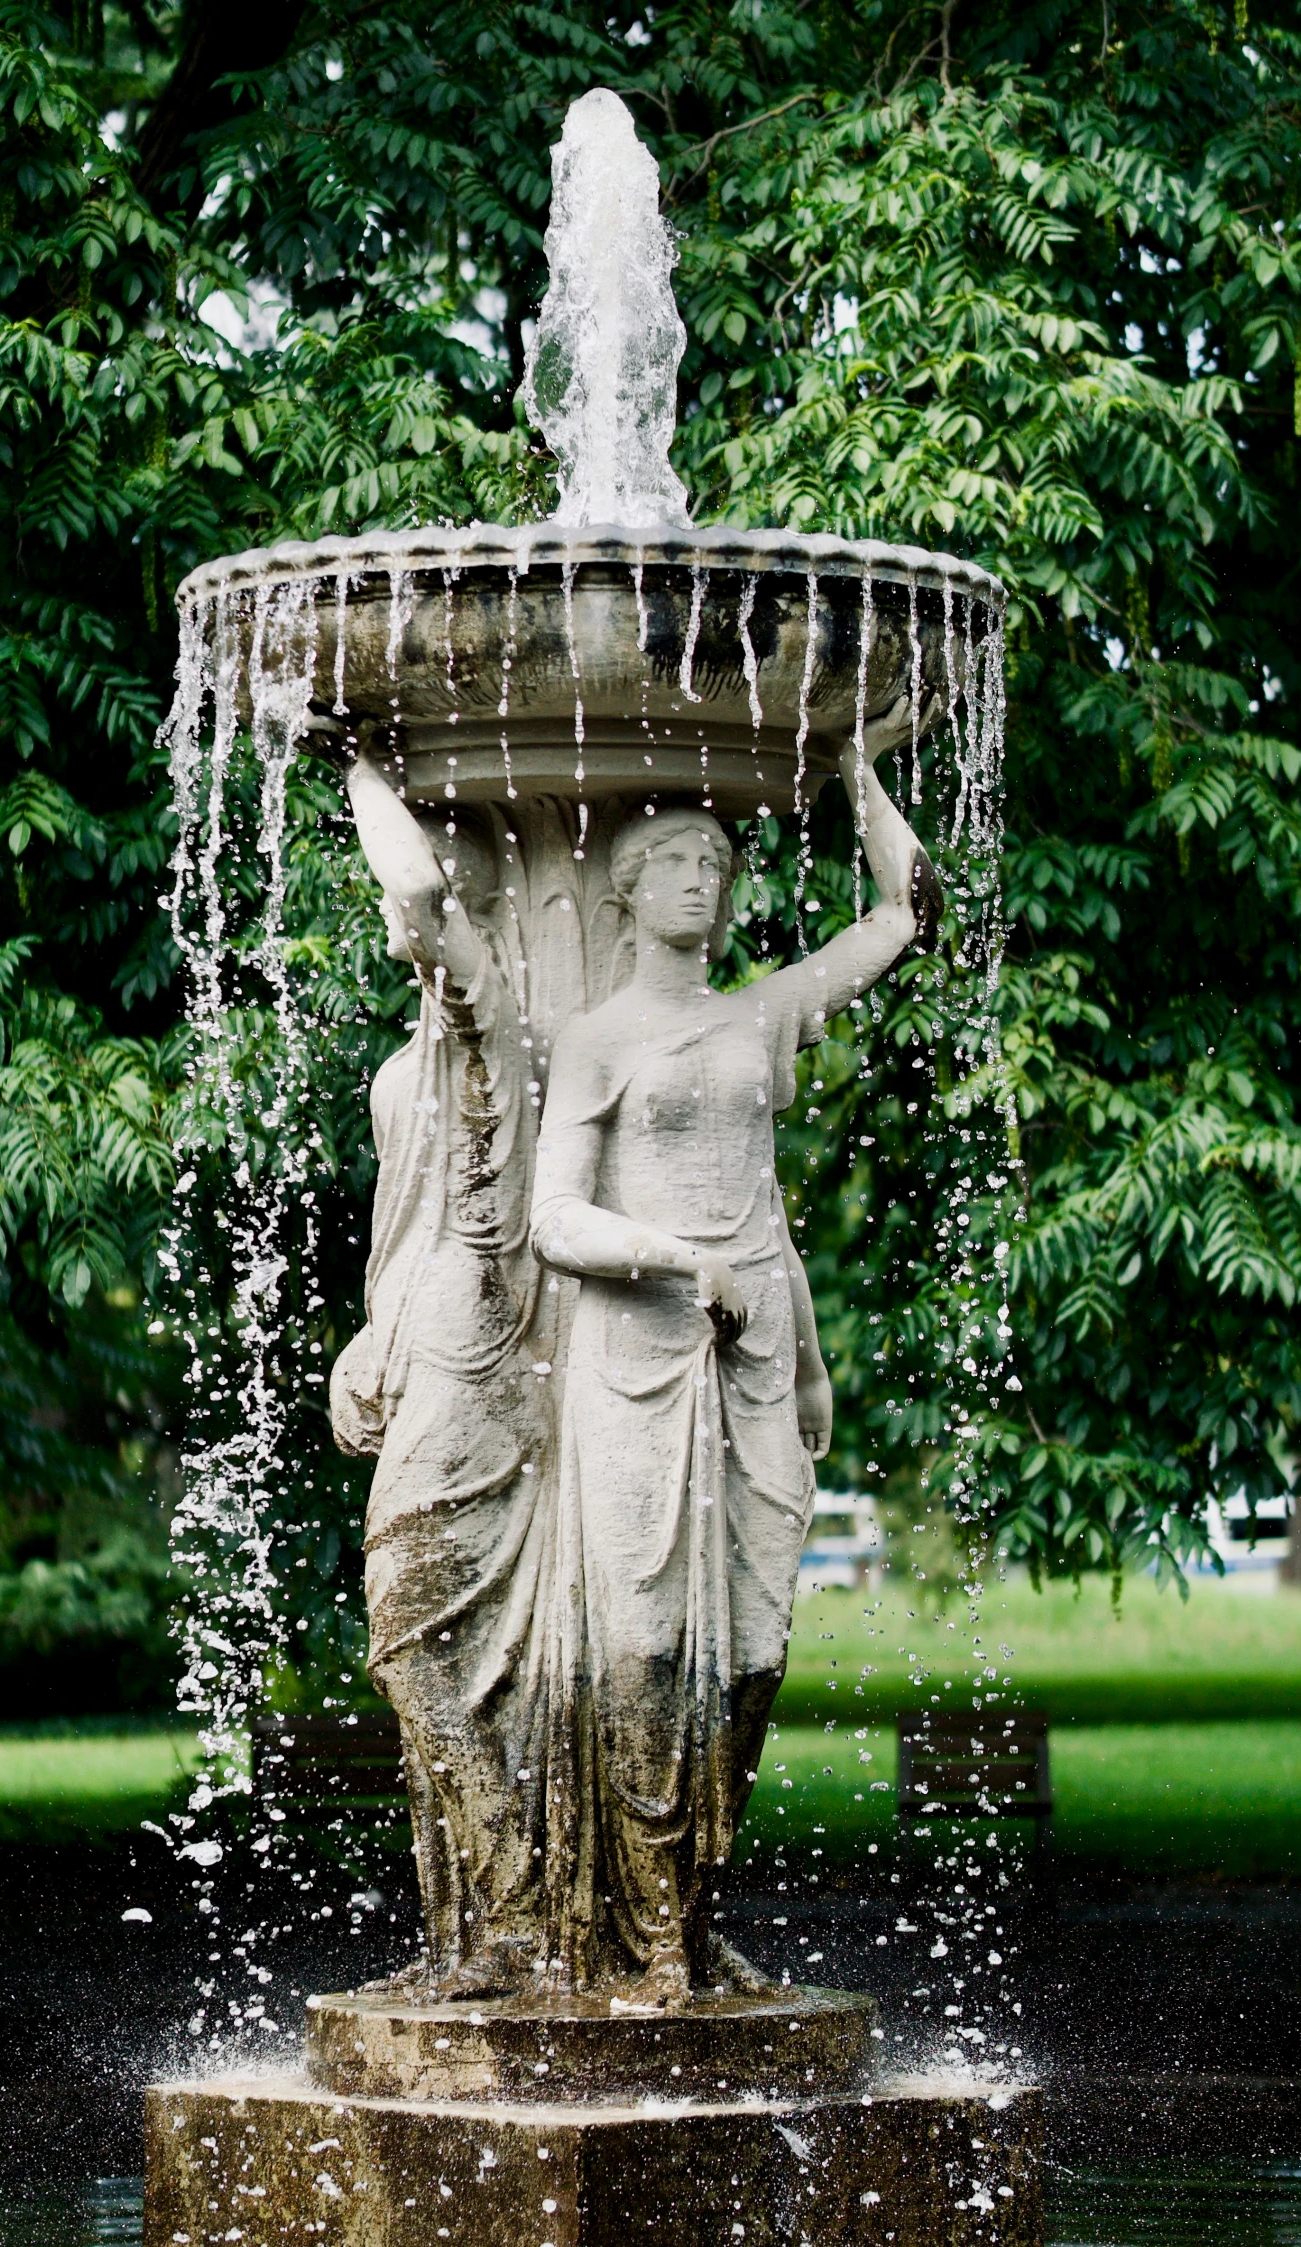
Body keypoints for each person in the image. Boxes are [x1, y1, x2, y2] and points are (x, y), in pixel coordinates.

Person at [530, 727, 934, 2002]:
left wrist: (860, 767)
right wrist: (668, 1258)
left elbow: (905, 914)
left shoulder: (760, 1015)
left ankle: (693, 1914)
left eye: (716, 861)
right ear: (629, 892)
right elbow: (554, 1219)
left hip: (758, 1349)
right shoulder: (594, 1039)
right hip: (637, 1357)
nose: (702, 880)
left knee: (751, 1652)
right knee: (647, 1646)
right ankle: (647, 1940)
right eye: (675, 862)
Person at [330, 750, 557, 1996]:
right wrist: (370, 1338)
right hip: (426, 1347)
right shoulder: (393, 1077)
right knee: (446, 1653)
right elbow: (401, 1232)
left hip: (487, 1356)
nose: (390, 916)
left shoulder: (500, 1030)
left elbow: (415, 899)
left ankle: (518, 1904)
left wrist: (356, 766)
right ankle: (460, 1943)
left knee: (413, 1638)